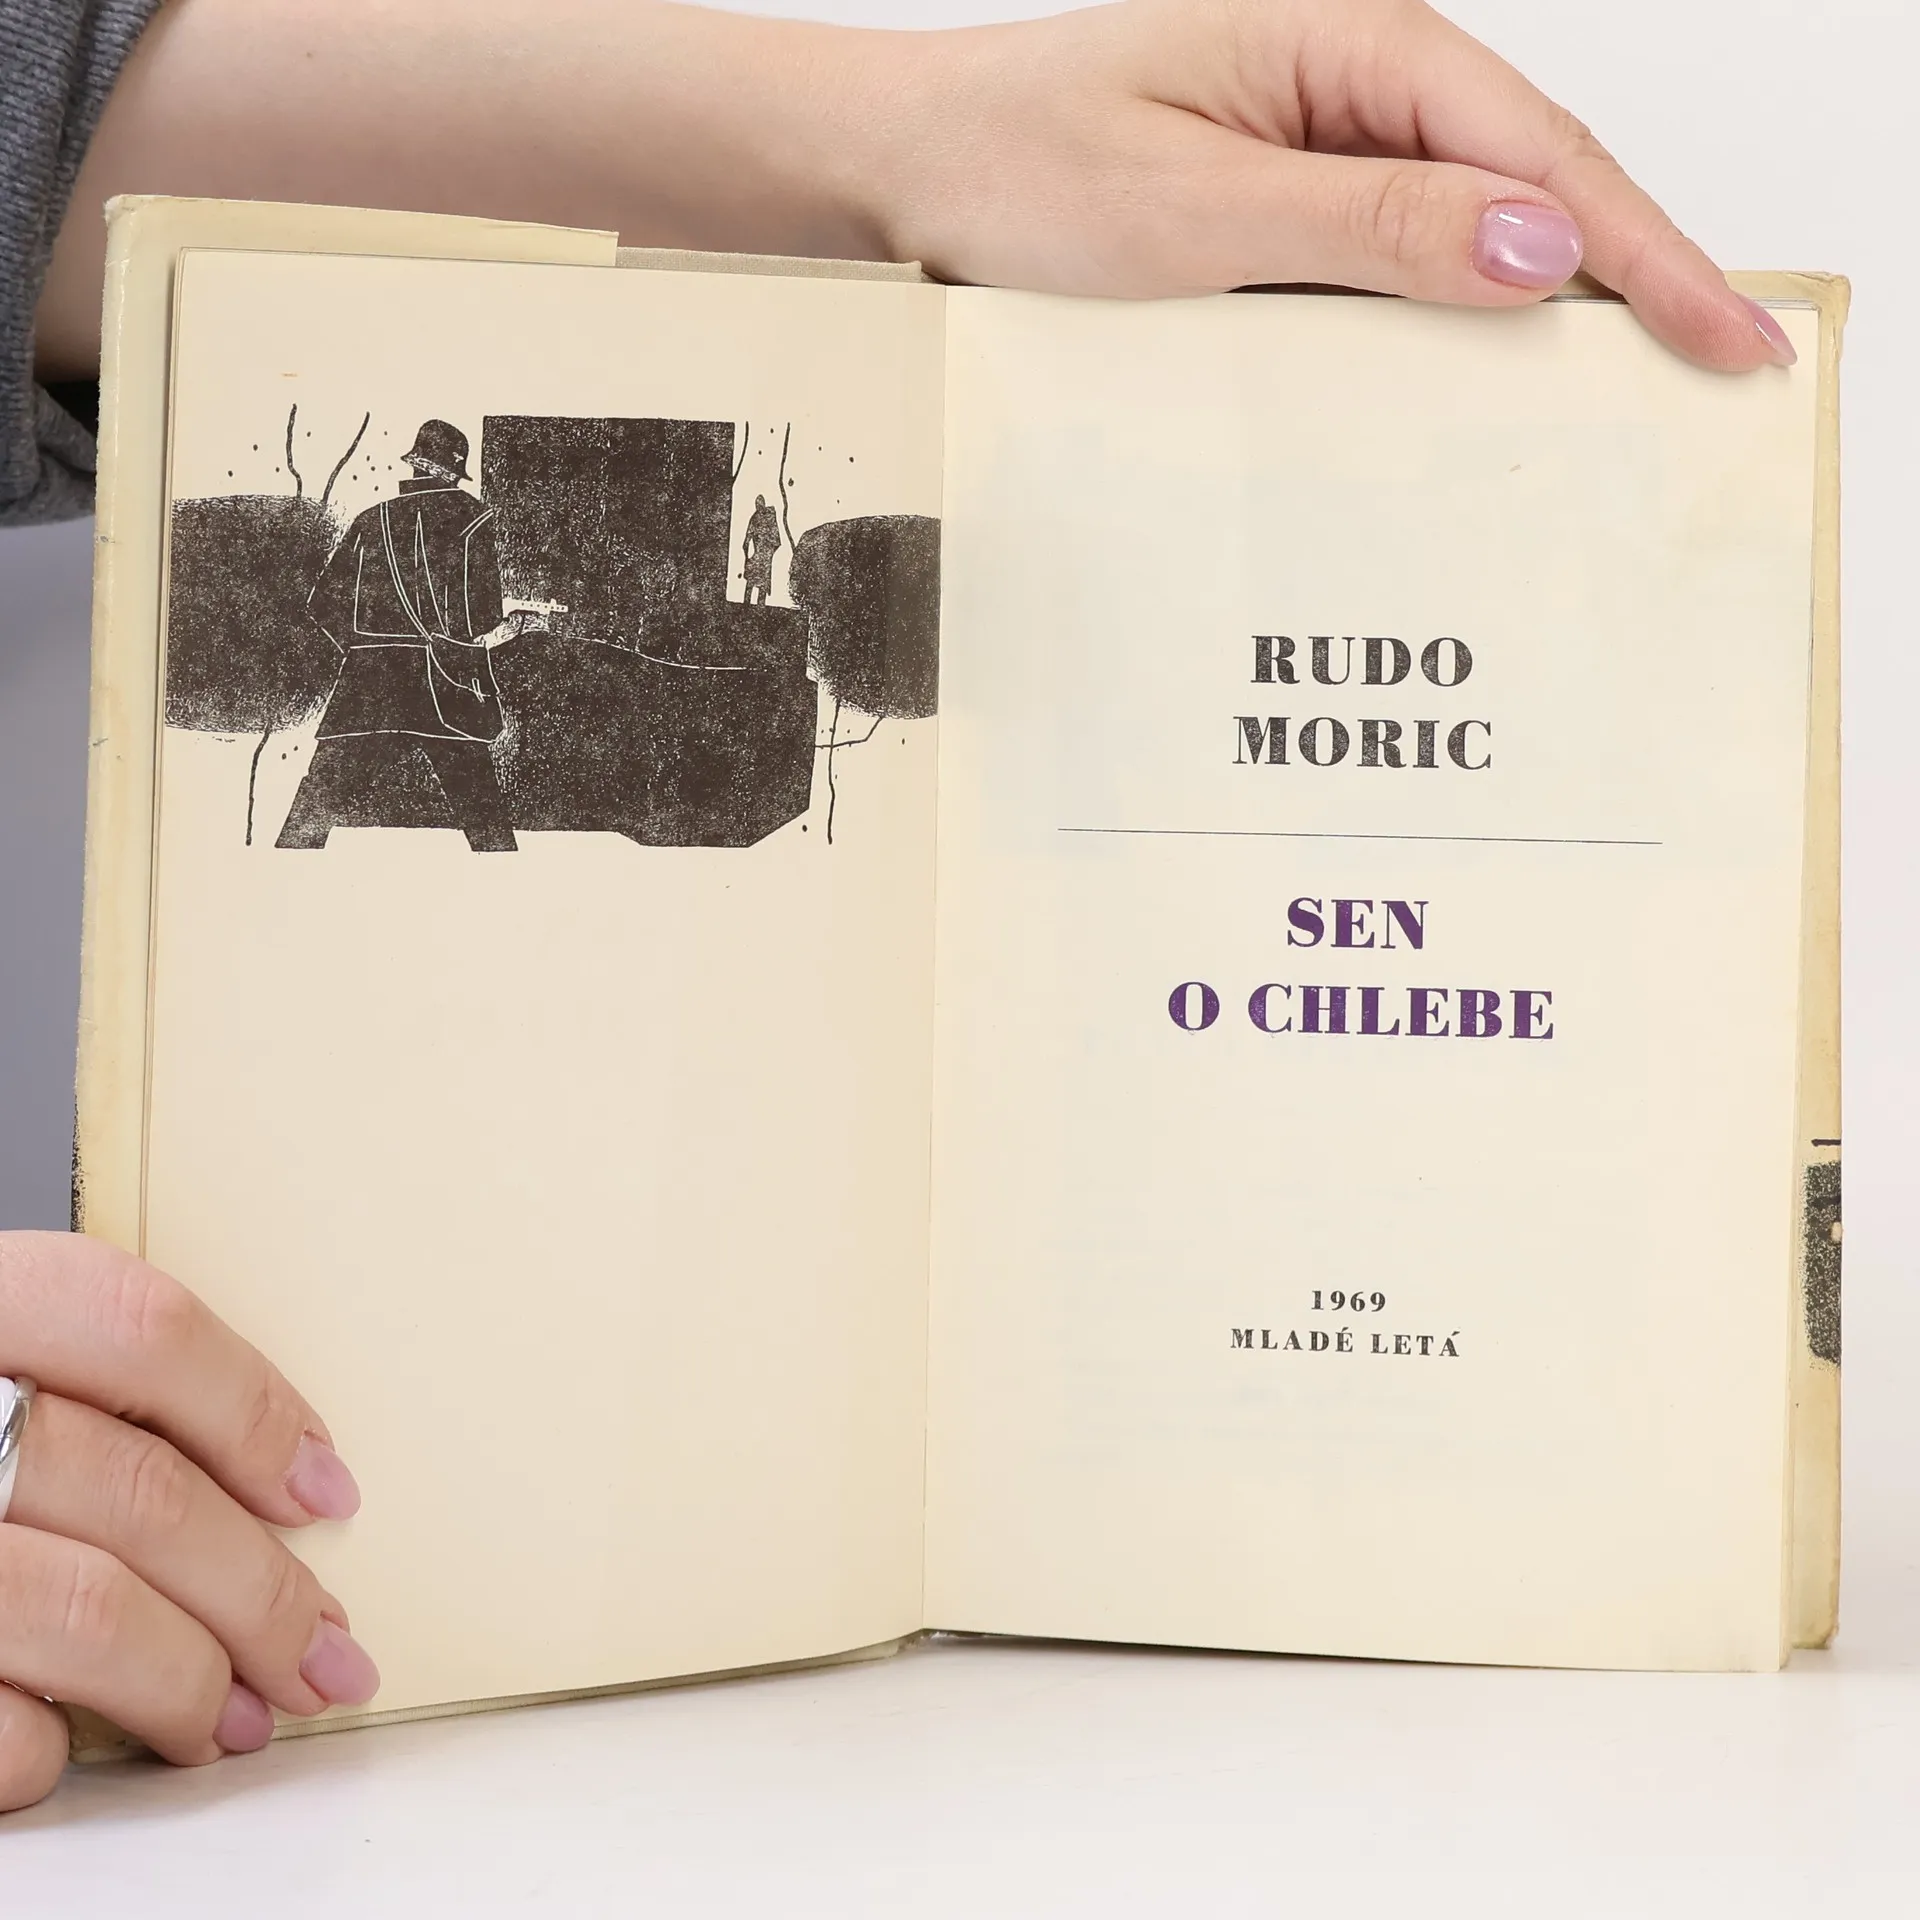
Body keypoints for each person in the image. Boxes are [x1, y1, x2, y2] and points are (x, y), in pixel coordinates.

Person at [0, 0, 1797, 1811]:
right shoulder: (455, 533)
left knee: (376, 815)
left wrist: (902, 135)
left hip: (250, 1664)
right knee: (441, 826)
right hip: (220, 1680)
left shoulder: (385, 528)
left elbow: (44, 153)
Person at [278, 418, 521, 854]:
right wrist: (511, 627)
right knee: (480, 805)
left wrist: (366, 649)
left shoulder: (372, 518)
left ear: (415, 464)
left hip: (368, 680)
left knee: (317, 803)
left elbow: (324, 605)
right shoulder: (474, 517)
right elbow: (480, 618)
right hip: (442, 681)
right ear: (453, 471)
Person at [742, 492, 782, 606]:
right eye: (757, 505)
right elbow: (746, 542)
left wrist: (768, 554)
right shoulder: (756, 518)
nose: (758, 507)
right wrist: (747, 557)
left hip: (763, 556)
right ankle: (747, 606)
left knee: (760, 584)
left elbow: (776, 540)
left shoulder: (767, 517)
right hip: (761, 556)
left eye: (759, 504)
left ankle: (756, 607)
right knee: (753, 582)